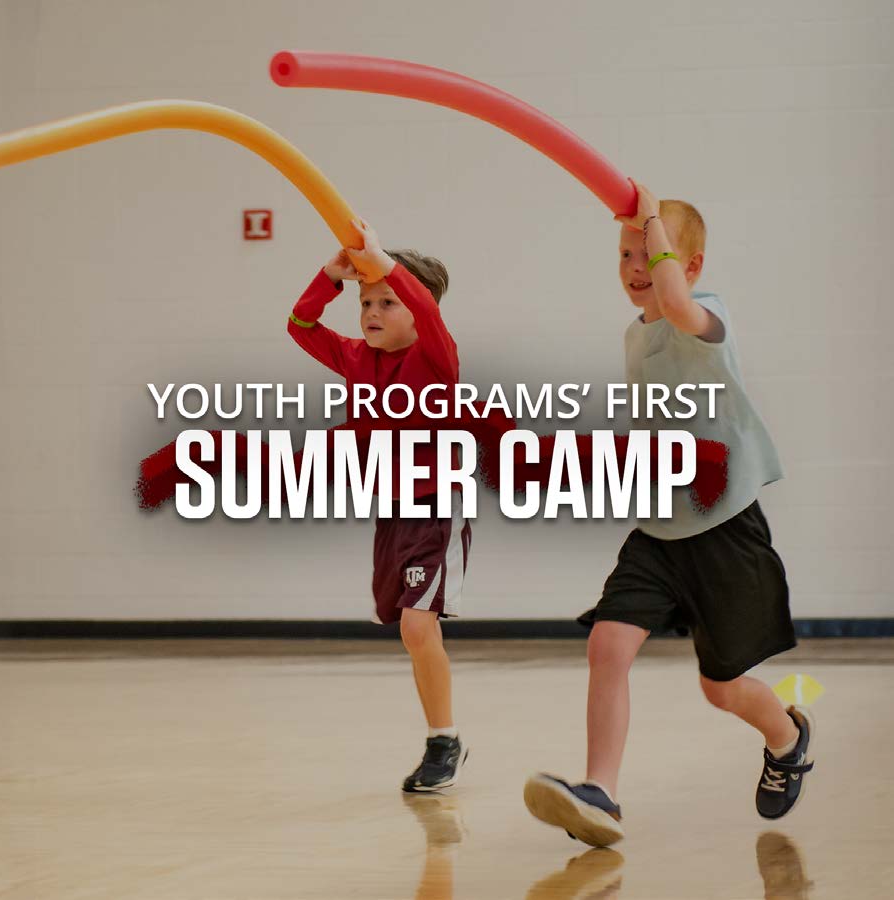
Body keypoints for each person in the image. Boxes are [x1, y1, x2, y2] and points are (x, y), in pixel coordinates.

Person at [524, 182, 814, 846]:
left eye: (650, 251)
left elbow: (676, 302)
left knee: (722, 687)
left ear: (692, 266)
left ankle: (788, 737)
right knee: (607, 645)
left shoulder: (706, 316)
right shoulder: (636, 333)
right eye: (625, 252)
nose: (635, 266)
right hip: (659, 531)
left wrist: (651, 218)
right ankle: (601, 793)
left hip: (724, 530)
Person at [288, 219, 470, 792]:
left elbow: (424, 308)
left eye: (388, 302)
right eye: (366, 302)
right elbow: (299, 325)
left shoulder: (437, 358)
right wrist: (331, 277)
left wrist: (384, 263)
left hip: (437, 507)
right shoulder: (354, 358)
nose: (371, 311)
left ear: (419, 311)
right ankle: (443, 739)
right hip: (391, 512)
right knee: (408, 630)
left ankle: (444, 742)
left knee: (419, 626)